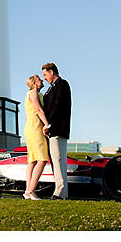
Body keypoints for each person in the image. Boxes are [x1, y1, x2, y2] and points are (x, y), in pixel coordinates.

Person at [41, 62, 72, 200]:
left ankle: (60, 192)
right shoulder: (52, 88)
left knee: (59, 160)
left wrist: (49, 125)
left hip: (58, 129)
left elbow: (58, 106)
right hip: (54, 130)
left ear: (52, 72)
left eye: (45, 74)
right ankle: (61, 192)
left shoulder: (62, 85)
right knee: (56, 161)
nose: (45, 78)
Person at [23, 74, 50, 200]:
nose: (42, 80)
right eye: (39, 79)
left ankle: (27, 190)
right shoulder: (33, 93)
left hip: (30, 129)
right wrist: (47, 124)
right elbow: (39, 110)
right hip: (35, 130)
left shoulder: (34, 94)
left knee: (32, 161)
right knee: (42, 159)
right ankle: (31, 191)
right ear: (34, 83)